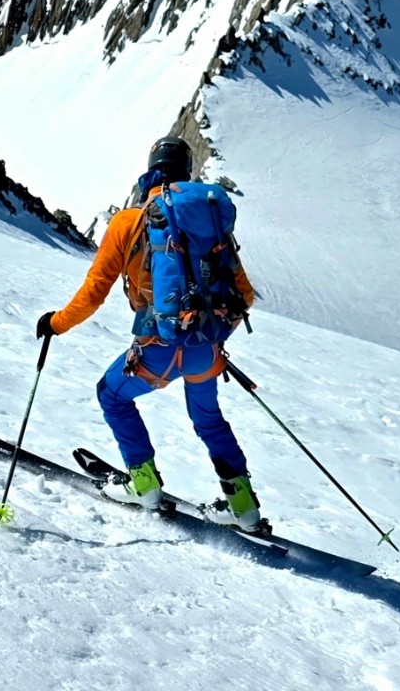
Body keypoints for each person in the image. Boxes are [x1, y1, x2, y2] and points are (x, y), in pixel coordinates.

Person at [36, 135, 262, 528]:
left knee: (112, 396)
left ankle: (144, 485)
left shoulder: (129, 222)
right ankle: (243, 507)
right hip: (205, 349)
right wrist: (210, 332)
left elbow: (94, 293)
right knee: (208, 419)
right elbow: (244, 294)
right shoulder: (211, 227)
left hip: (157, 347)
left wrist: (56, 323)